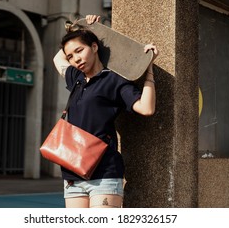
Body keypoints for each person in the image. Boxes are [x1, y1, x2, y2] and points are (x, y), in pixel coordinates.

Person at [53, 14, 159, 208]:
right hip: (72, 172)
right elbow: (57, 58)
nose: (76, 59)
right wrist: (83, 27)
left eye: (79, 51)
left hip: (104, 173)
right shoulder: (75, 77)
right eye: (71, 56)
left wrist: (148, 70)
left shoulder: (114, 80)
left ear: (94, 47)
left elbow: (146, 108)